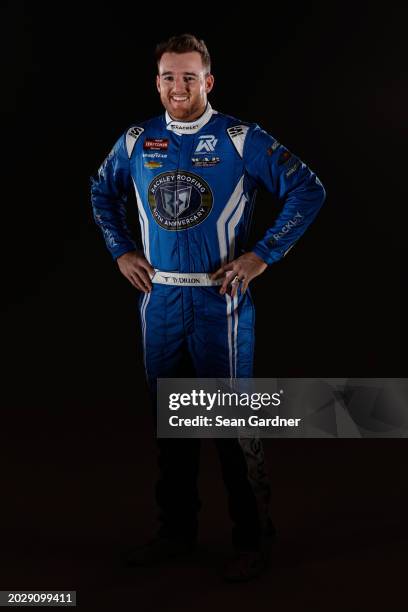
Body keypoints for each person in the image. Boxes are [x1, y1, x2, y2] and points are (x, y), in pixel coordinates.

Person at [91, 33, 326, 582]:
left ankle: (253, 540)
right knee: (171, 425)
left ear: (208, 81)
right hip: (160, 301)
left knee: (228, 421)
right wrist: (121, 249)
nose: (178, 87)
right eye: (169, 76)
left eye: (189, 77)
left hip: (218, 301)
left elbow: (307, 190)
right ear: (157, 81)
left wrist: (261, 256)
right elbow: (101, 192)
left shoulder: (239, 139)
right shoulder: (136, 140)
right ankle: (176, 534)